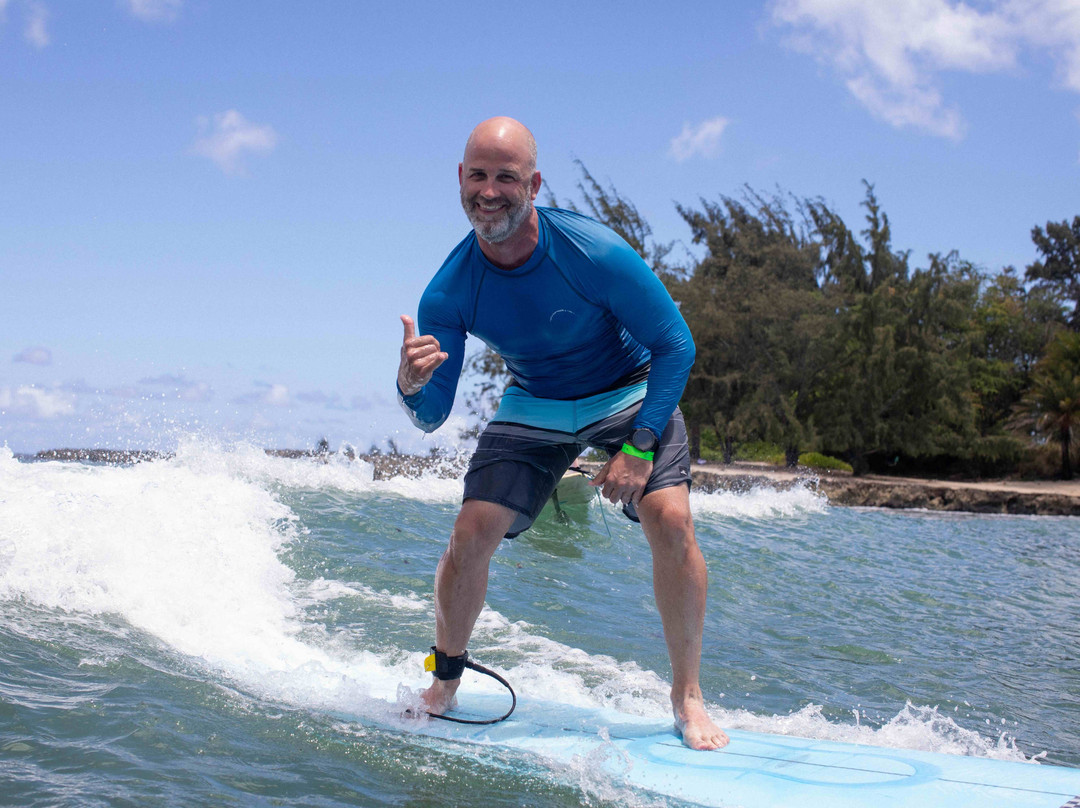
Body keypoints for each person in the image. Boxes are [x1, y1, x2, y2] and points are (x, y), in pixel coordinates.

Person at [396, 116, 728, 751]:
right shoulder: (450, 288)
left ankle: (687, 695)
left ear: (534, 184)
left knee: (671, 520)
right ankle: (444, 681)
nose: (489, 191)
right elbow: (432, 415)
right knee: (469, 535)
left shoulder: (593, 251)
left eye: (506, 177)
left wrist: (638, 446)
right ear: (459, 179)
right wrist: (411, 386)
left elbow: (675, 345)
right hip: (536, 401)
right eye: (478, 176)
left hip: (626, 387)